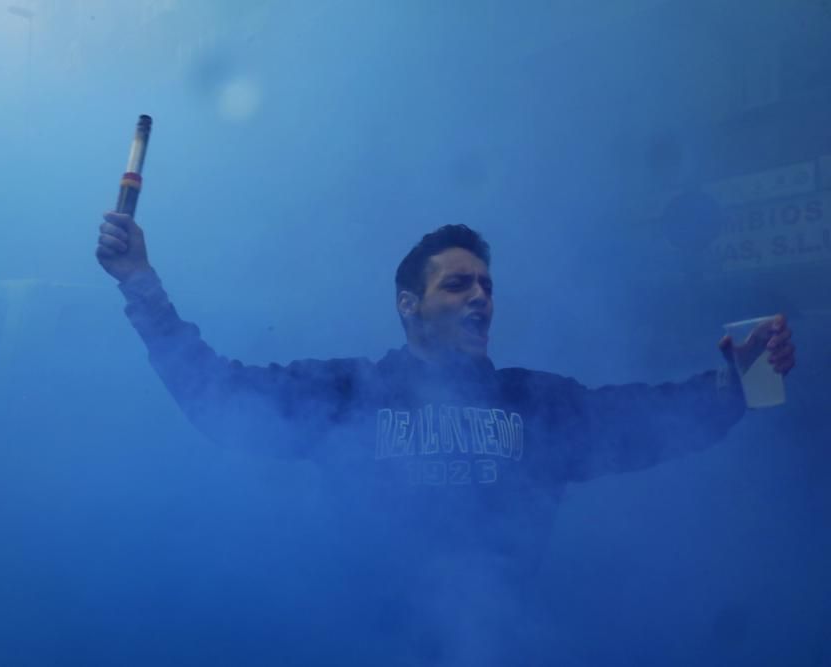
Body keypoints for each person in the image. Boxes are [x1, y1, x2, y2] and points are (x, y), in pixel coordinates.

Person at [95, 212, 796, 661]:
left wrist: (739, 380)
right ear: (409, 306)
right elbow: (219, 396)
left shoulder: (531, 404)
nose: (481, 297)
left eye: (487, 285)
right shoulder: (350, 393)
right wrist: (141, 283)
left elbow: (640, 419)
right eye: (458, 284)